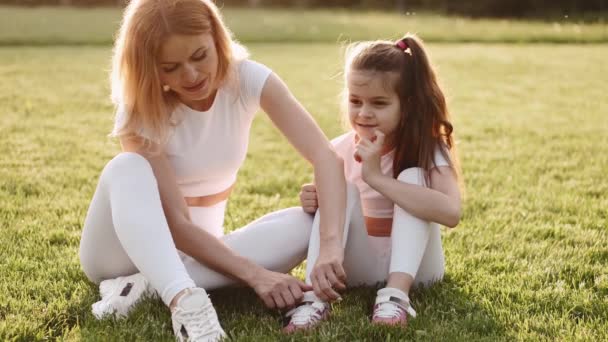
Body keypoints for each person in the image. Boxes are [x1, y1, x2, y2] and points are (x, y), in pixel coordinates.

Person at [78, 0, 348, 341]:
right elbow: (176, 225)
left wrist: (329, 247)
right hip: (120, 253)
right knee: (127, 167)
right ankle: (182, 298)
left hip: (200, 251)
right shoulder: (140, 110)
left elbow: (326, 157)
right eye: (170, 66)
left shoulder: (248, 79)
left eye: (199, 56)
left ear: (216, 39)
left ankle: (141, 288)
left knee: (303, 224)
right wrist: (256, 275)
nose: (190, 76)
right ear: (149, 67)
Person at [282, 34, 462, 332]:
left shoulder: (427, 147)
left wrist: (376, 177)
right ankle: (315, 298)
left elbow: (451, 213)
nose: (364, 113)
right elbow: (332, 220)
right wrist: (314, 202)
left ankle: (396, 295)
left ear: (407, 104)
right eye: (355, 101)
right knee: (343, 189)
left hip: (418, 269)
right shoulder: (336, 150)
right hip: (358, 266)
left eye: (379, 103)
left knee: (411, 177)